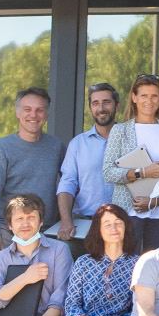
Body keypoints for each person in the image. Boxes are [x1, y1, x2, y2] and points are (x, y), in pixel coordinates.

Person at [102, 74, 159, 250]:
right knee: (126, 260)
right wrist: (142, 172)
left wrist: (155, 200)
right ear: (134, 97)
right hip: (127, 211)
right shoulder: (119, 131)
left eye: (154, 96)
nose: (149, 101)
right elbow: (108, 172)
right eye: (144, 96)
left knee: (156, 262)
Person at [0, 87, 66, 249]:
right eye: (27, 110)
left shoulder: (57, 147)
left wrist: (66, 221)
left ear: (46, 115)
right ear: (17, 113)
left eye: (39, 110)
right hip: (8, 234)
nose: (33, 115)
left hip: (46, 233)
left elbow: (70, 186)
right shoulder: (1, 149)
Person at [55, 83, 120, 248]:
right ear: (90, 109)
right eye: (95, 103)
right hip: (85, 227)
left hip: (123, 226)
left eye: (107, 102)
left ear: (117, 106)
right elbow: (67, 183)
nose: (101, 108)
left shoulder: (132, 141)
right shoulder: (77, 144)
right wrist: (66, 222)